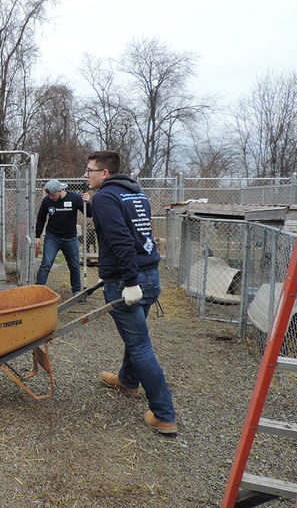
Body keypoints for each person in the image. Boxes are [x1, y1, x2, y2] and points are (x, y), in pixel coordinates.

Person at [84, 150, 177, 434]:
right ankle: (127, 381)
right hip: (150, 276)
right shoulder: (137, 194)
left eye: (90, 170)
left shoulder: (104, 198)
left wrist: (129, 281)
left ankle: (164, 414)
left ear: (105, 174)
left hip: (128, 280)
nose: (86, 175)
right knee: (135, 337)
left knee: (139, 345)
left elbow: (122, 241)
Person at [34, 179, 91, 293]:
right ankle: (38, 290)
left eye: (53, 195)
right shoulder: (47, 201)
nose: (51, 197)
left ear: (60, 191)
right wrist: (37, 236)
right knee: (46, 263)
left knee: (74, 265)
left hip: (70, 238)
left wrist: (87, 202)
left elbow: (90, 214)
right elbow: (41, 218)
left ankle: (76, 291)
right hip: (52, 237)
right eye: (49, 195)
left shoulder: (75, 198)